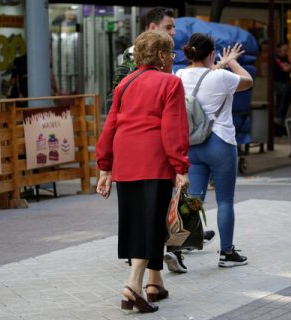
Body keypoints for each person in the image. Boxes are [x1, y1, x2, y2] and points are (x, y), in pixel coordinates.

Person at [96, 30, 190, 313]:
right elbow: (173, 129)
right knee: (150, 225)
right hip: (155, 161)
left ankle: (154, 283)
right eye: (171, 54)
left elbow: (110, 125)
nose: (172, 59)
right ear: (162, 56)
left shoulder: (124, 84)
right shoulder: (170, 83)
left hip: (126, 161)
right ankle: (133, 285)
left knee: (139, 221)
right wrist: (181, 167)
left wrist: (104, 167)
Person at [176, 33, 253, 268]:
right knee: (225, 200)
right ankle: (227, 253)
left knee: (193, 199)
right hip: (220, 143)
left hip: (193, 144)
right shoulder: (222, 77)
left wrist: (219, 63)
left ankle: (181, 245)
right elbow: (247, 80)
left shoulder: (179, 76)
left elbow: (202, 74)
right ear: (211, 54)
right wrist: (231, 61)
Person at [274, 42, 291, 131]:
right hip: (280, 85)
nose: (285, 51)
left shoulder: (285, 58)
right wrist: (287, 67)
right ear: (279, 50)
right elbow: (285, 69)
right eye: (284, 49)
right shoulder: (275, 59)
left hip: (286, 84)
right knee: (281, 106)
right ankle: (278, 126)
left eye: (286, 50)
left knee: (286, 105)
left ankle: (283, 125)